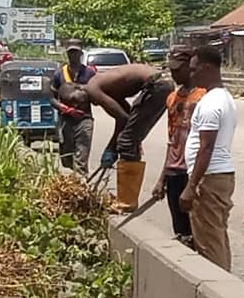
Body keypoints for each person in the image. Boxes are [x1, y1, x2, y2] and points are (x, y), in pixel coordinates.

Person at [83, 63, 174, 210]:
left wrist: (111, 147)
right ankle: (127, 198)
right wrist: (115, 146)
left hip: (156, 85)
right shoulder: (106, 87)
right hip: (162, 83)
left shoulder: (92, 89)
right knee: (129, 139)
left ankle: (127, 201)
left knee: (126, 142)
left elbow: (122, 119)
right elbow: (127, 117)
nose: (96, 104)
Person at [179, 45, 237, 272]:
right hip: (217, 176)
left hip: (209, 178)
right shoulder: (223, 98)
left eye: (194, 70)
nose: (191, 75)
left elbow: (206, 147)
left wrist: (192, 186)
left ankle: (220, 295)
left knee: (208, 243)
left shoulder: (212, 103)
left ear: (207, 67)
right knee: (217, 235)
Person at [151, 46, 205, 246]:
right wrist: (161, 179)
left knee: (199, 228)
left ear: (189, 66)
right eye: (171, 69)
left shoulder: (202, 96)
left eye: (177, 69)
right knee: (181, 231)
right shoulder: (172, 99)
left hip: (193, 170)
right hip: (174, 171)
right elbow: (171, 139)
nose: (173, 74)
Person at [50, 39, 96, 174]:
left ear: (81, 54)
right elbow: (51, 98)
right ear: (67, 54)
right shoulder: (59, 74)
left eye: (76, 53)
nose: (73, 56)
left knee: (82, 154)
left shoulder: (89, 74)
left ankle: (81, 180)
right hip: (66, 120)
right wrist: (65, 109)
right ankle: (72, 177)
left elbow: (97, 96)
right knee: (66, 157)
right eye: (71, 53)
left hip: (84, 119)